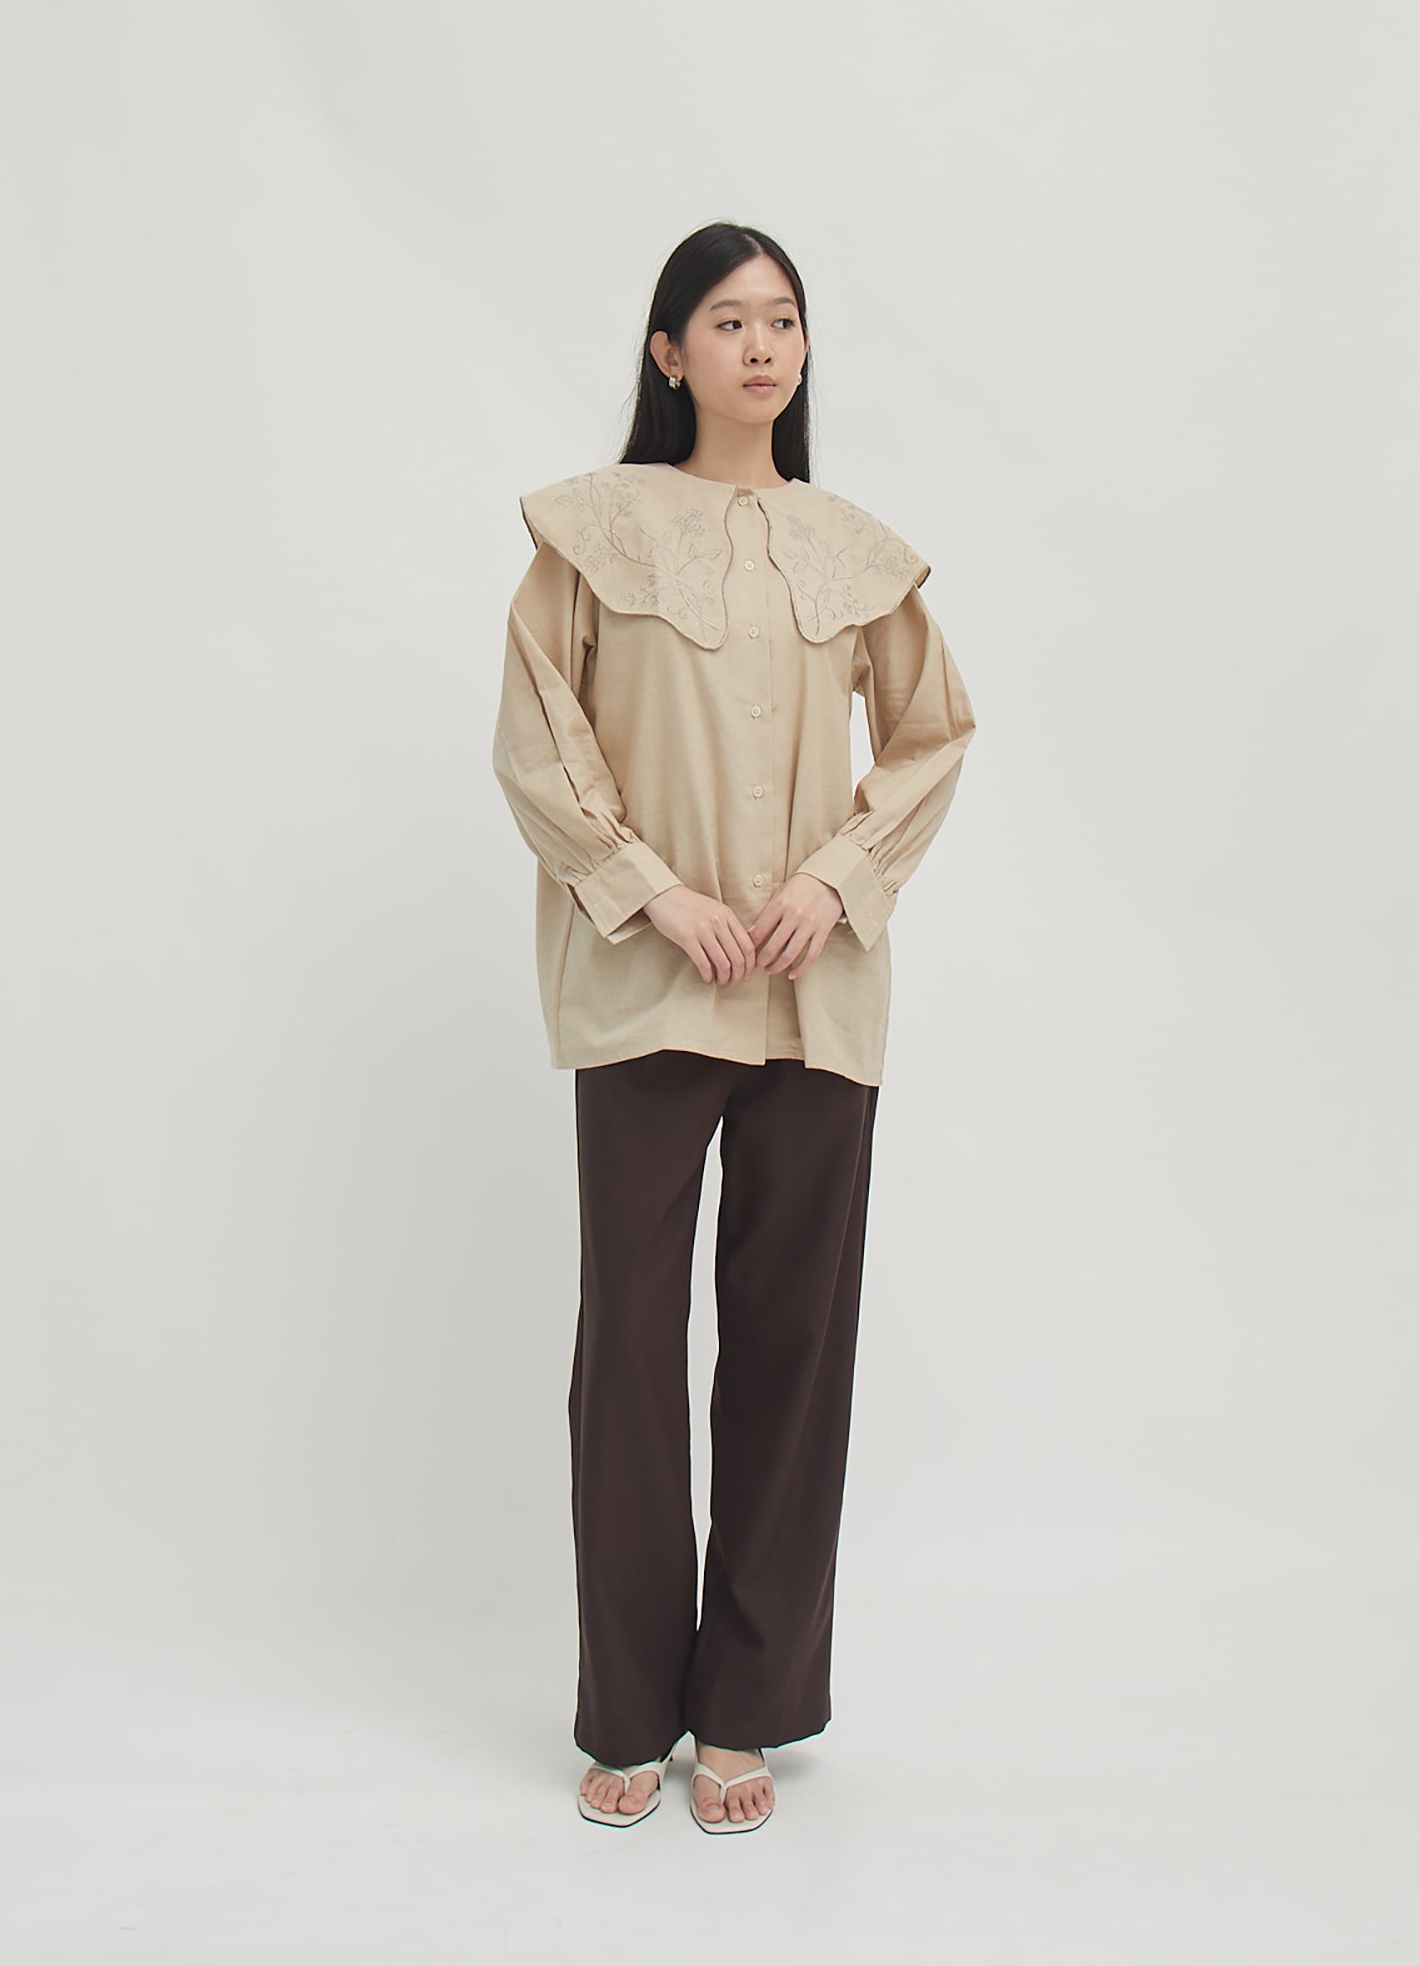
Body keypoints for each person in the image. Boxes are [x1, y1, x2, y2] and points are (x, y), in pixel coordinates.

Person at [491, 221, 977, 1833]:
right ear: (668, 352)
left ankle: (748, 1711)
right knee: (629, 1354)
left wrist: (838, 881)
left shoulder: (854, 549)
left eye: (784, 320)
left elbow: (931, 737)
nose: (762, 346)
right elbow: (537, 742)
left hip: (814, 996)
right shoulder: (590, 531)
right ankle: (629, 1710)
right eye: (727, 320)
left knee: (792, 1348)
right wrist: (650, 892)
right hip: (646, 989)